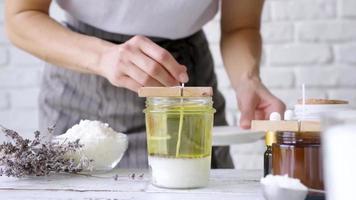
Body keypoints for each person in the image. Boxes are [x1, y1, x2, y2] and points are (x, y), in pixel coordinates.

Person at [5, 0, 285, 168]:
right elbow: (20, 17)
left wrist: (247, 79)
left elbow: (240, 27)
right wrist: (104, 57)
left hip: (185, 83)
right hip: (82, 70)